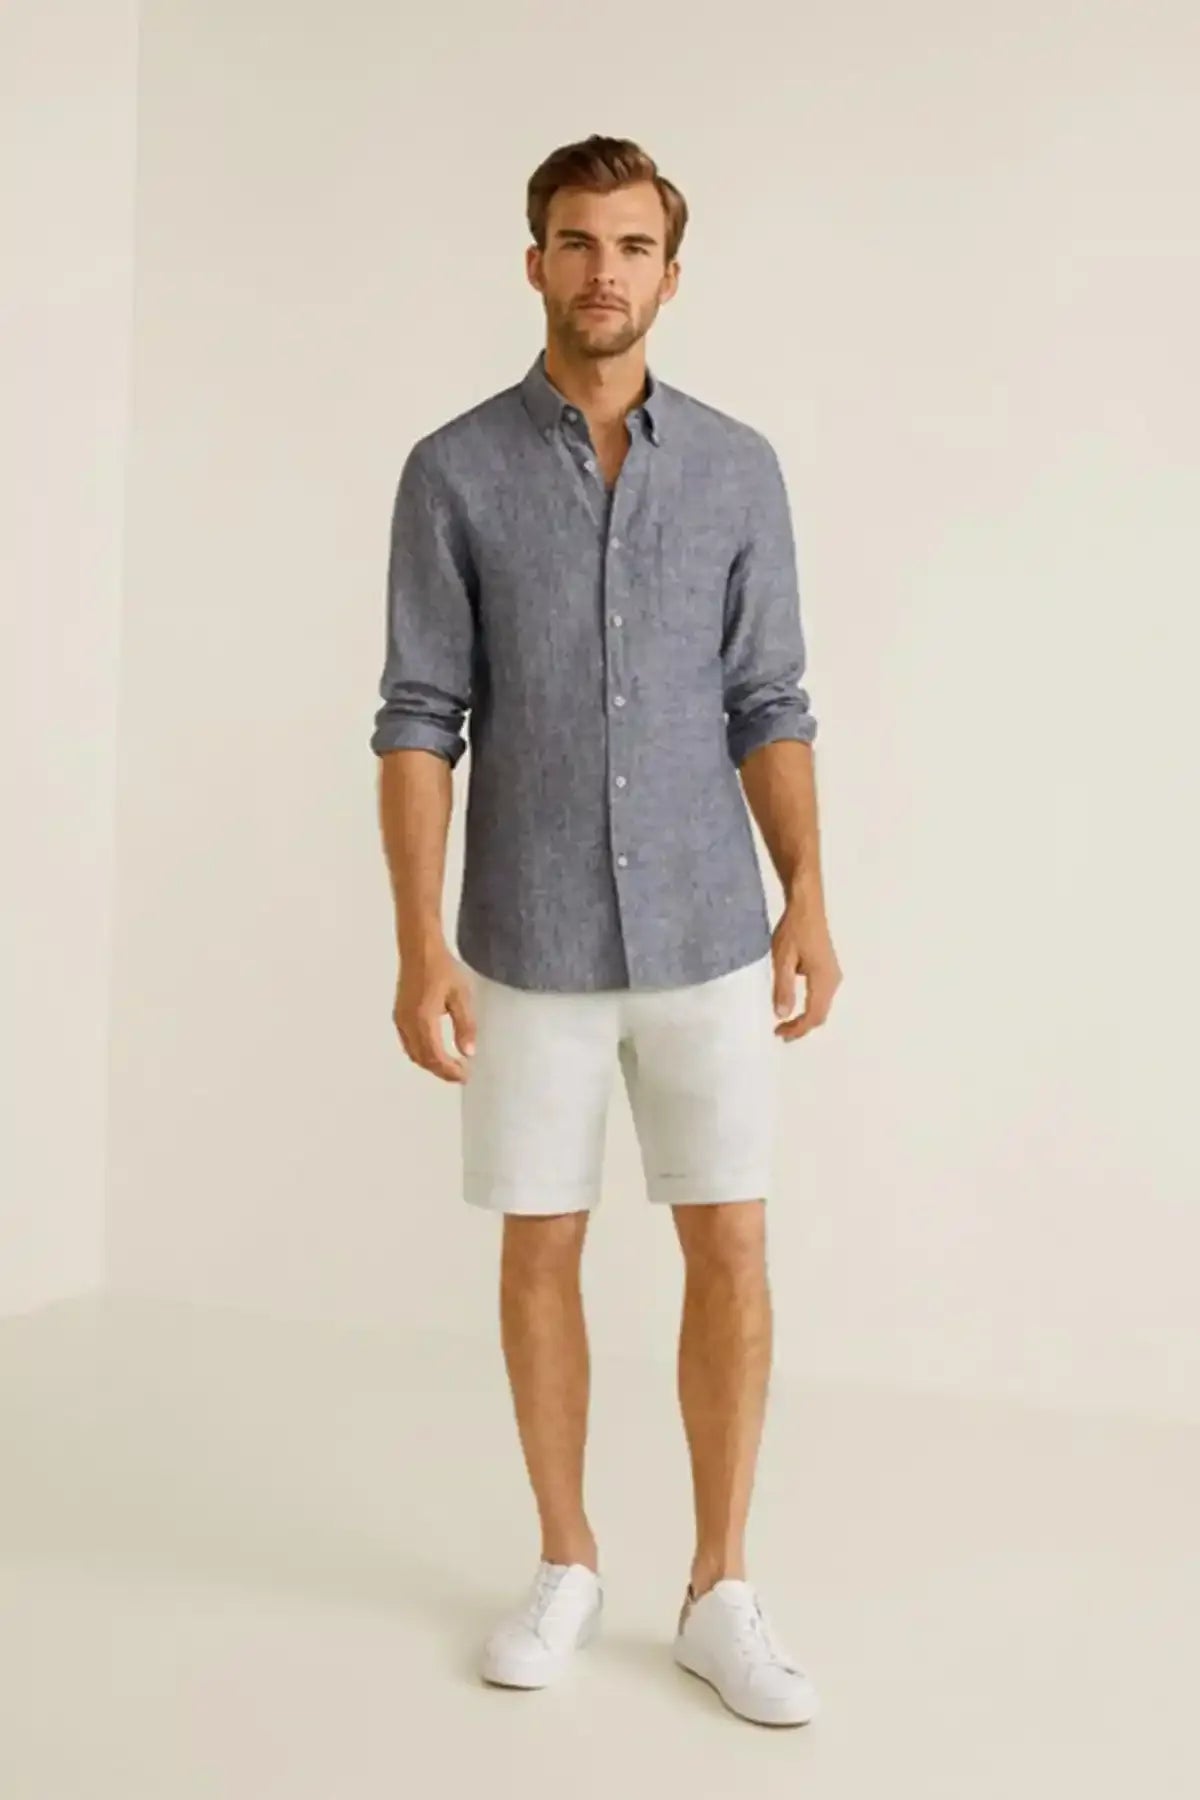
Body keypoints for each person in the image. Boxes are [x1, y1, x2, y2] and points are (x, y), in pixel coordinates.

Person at [371, 134, 842, 1728]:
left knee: (732, 1242)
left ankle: (721, 1589)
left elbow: (769, 697)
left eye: (632, 246)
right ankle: (566, 1558)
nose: (603, 272)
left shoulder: (739, 469)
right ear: (535, 263)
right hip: (529, 934)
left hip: (712, 928)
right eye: (577, 242)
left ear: (670, 274)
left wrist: (807, 894)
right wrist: (418, 942)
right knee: (541, 1245)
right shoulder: (453, 472)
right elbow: (419, 715)